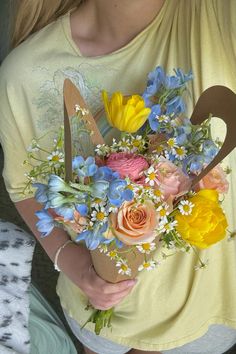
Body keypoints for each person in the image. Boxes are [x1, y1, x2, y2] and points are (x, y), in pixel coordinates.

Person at [0, 1, 236, 353]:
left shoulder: (215, 15)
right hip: (95, 318)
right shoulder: (24, 73)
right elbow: (22, 186)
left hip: (203, 324)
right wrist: (73, 263)